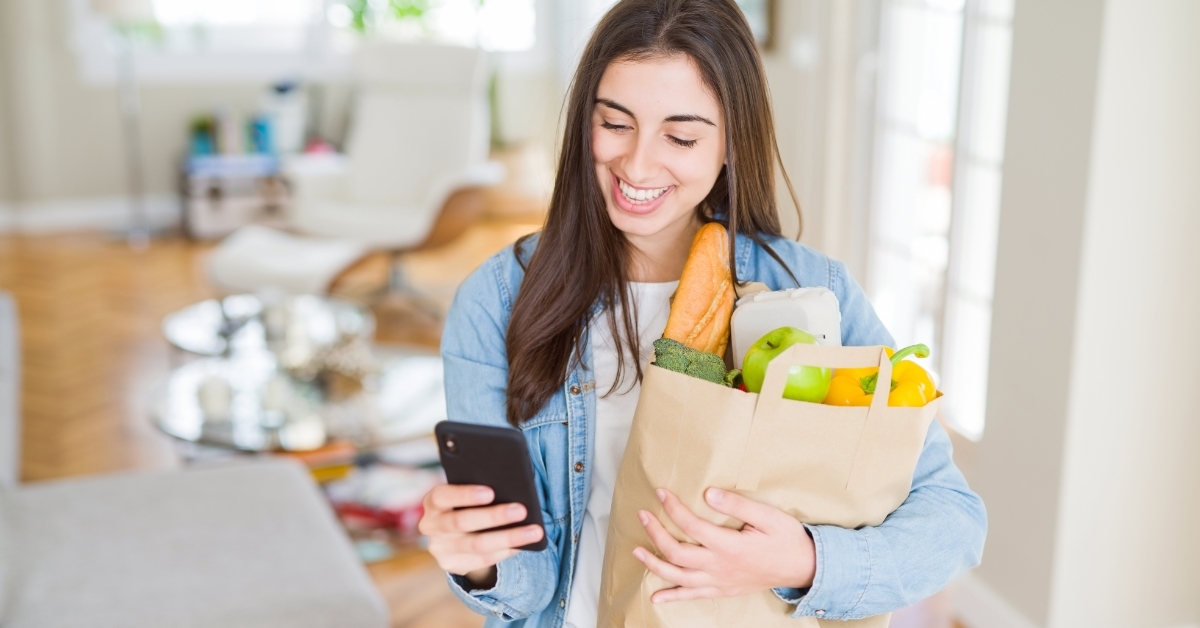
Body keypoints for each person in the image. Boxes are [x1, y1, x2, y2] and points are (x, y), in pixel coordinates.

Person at [417, 0, 987, 626]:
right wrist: (476, 558)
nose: (636, 165)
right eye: (615, 124)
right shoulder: (496, 301)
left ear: (729, 144)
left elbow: (953, 520)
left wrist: (802, 562)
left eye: (681, 136)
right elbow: (523, 590)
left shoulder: (813, 292)